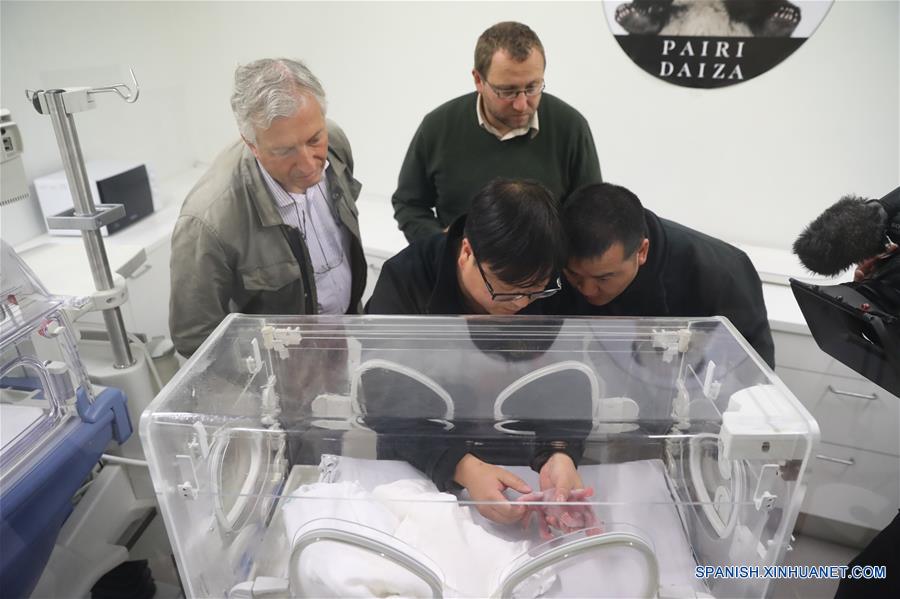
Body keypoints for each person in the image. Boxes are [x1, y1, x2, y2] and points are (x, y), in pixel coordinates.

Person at [368, 179, 590, 527]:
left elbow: (566, 377)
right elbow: (383, 398)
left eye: (533, 293)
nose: (519, 305)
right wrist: (463, 467)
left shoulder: (548, 285)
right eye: (505, 293)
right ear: (467, 252)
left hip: (519, 458)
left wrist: (559, 451)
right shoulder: (406, 279)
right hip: (420, 458)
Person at [169, 58, 366, 356]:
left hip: (346, 333)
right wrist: (270, 373)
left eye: (314, 140)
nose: (308, 164)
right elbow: (193, 336)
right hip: (281, 366)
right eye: (284, 151)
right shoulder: (208, 222)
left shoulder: (335, 140)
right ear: (252, 145)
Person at [391, 21, 602, 243]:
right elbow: (409, 205)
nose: (522, 104)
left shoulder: (571, 127)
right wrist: (443, 245)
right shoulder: (437, 127)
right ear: (478, 80)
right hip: (457, 269)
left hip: (544, 272)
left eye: (532, 87)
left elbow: (591, 215)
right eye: (507, 91)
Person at [553, 182, 775, 367]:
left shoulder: (720, 272)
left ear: (642, 251)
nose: (587, 290)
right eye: (574, 275)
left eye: (603, 278)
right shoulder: (550, 256)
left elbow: (749, 374)